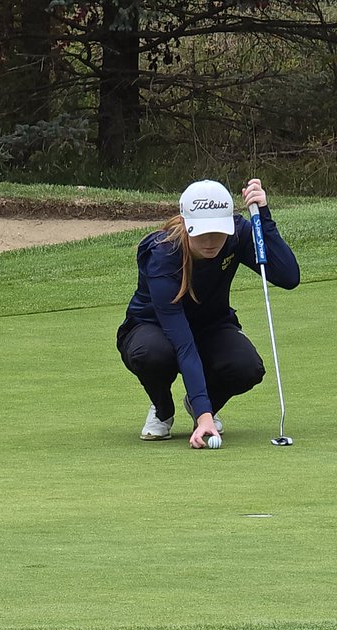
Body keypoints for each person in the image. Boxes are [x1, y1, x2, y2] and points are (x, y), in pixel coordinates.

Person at [117, 178, 300, 448]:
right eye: (202, 233)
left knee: (247, 367)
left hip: (211, 326)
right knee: (152, 353)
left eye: (218, 231)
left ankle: (199, 404)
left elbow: (288, 276)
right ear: (186, 224)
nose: (212, 241)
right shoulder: (163, 255)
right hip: (153, 327)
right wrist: (206, 416)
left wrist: (264, 217)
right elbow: (183, 342)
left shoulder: (236, 235)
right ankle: (163, 409)